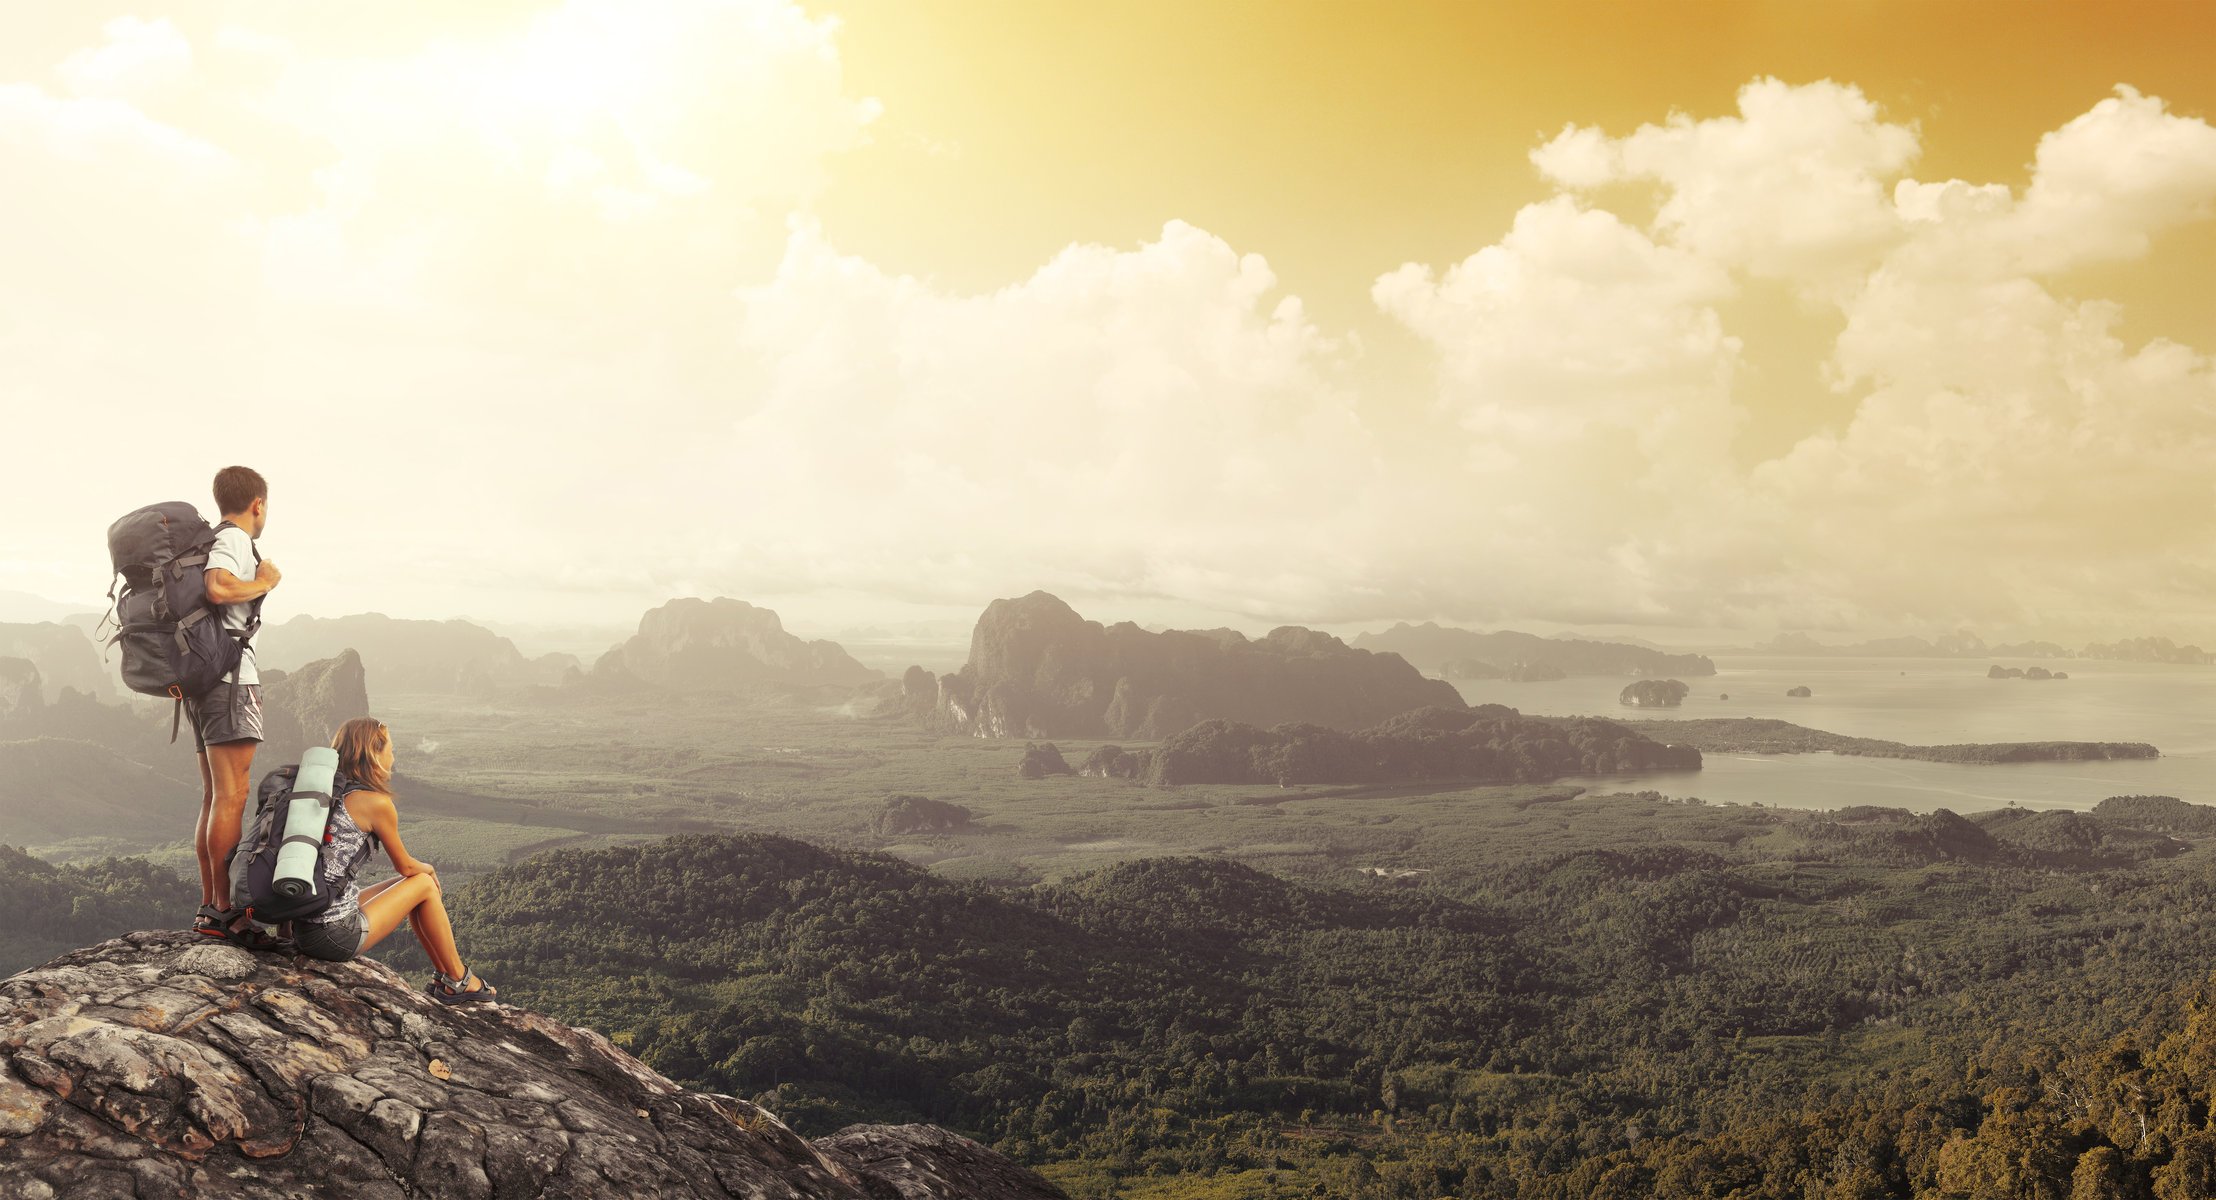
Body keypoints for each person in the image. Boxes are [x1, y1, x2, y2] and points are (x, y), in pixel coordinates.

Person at [280, 717, 497, 1002]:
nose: (393, 758)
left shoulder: (323, 793)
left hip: (303, 926)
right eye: (390, 750)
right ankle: (457, 977)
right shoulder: (376, 803)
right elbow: (406, 865)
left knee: (413, 886)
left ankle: (447, 977)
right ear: (374, 754)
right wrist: (429, 869)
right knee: (422, 882)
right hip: (333, 937)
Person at [192, 466, 284, 948]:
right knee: (231, 796)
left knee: (215, 796)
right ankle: (223, 911)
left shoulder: (214, 536)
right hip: (230, 682)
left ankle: (213, 906)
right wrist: (265, 580)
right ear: (258, 504)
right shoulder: (232, 540)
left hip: (208, 682)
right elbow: (219, 587)